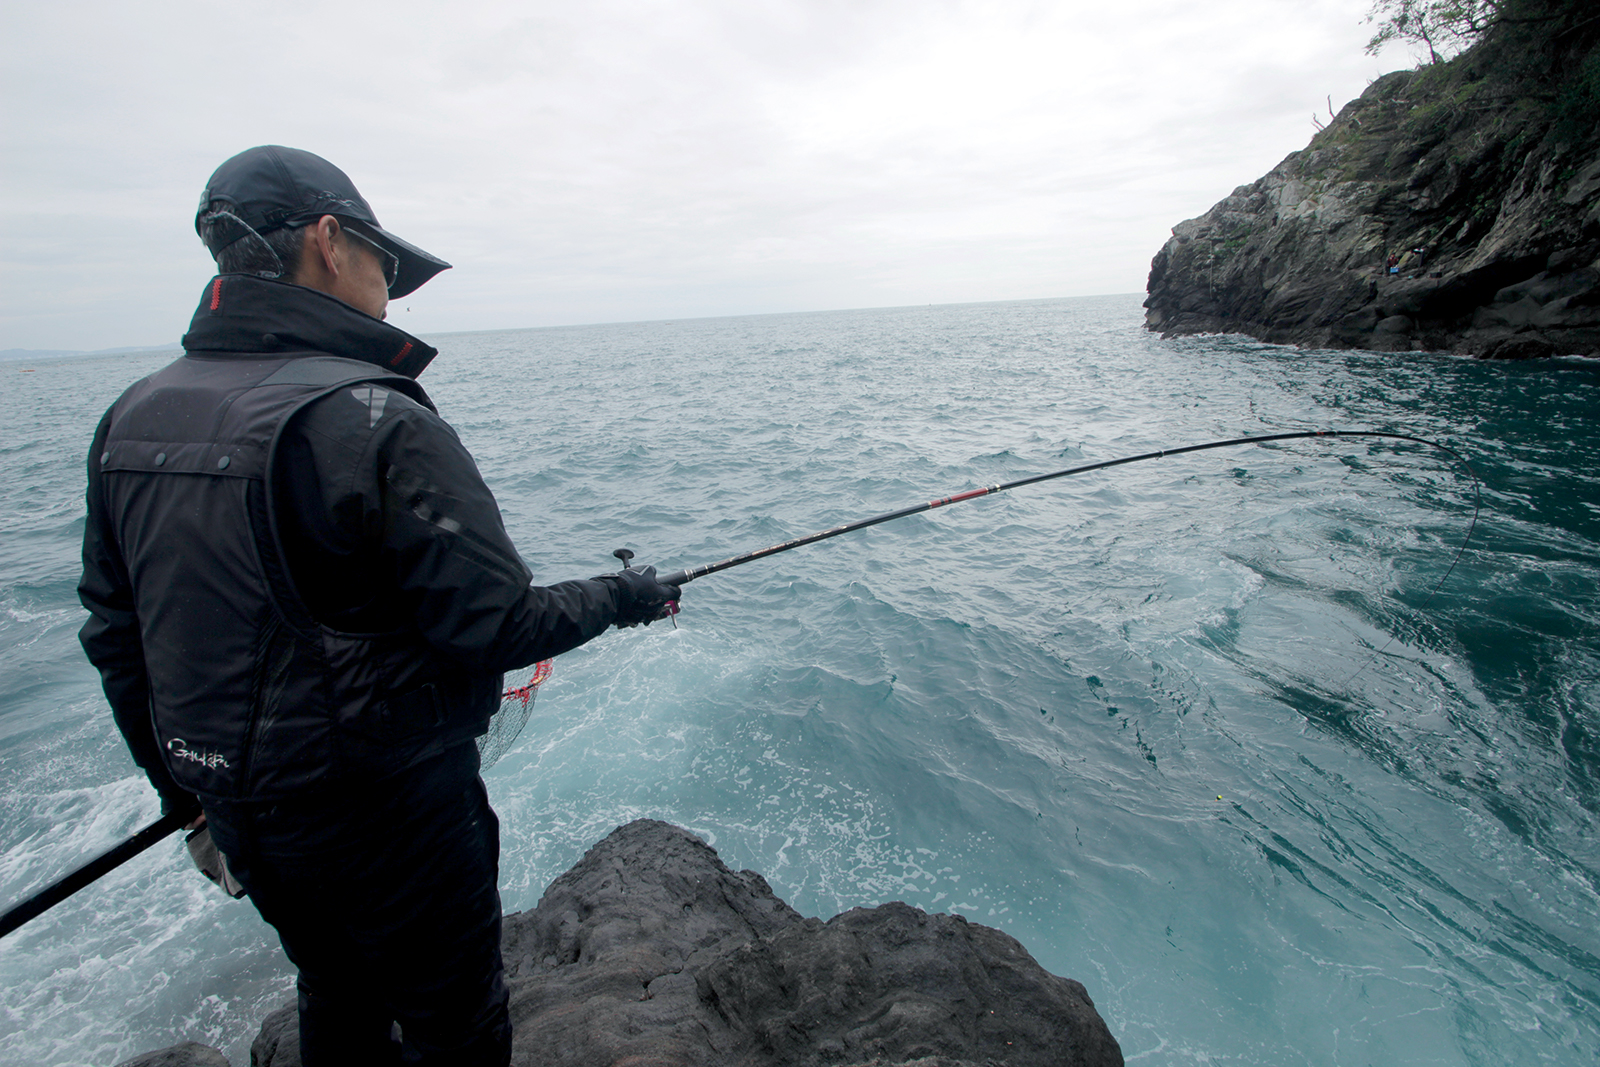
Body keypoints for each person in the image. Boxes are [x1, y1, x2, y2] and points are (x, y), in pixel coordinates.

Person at [77, 145, 682, 1066]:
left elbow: (116, 639)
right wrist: (624, 595)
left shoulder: (132, 417)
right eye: (382, 262)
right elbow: (496, 626)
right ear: (327, 240)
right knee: (454, 1020)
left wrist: (189, 804)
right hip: (389, 815)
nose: (389, 290)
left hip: (242, 814)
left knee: (334, 990)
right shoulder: (372, 414)